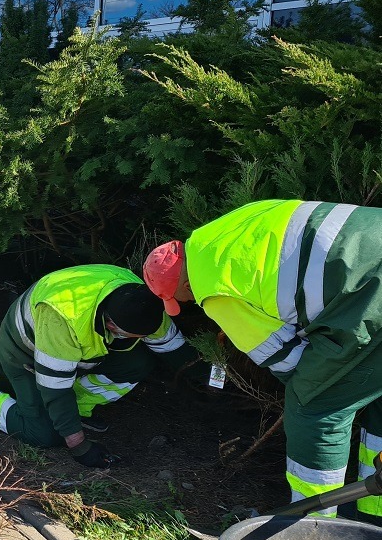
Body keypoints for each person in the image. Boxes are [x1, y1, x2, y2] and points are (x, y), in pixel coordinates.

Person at [143, 199, 382, 518]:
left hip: (366, 294)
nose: (186, 304)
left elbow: (283, 358)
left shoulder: (212, 288)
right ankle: (373, 512)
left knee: (313, 407)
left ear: (185, 285)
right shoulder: (224, 229)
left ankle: (315, 527)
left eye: (180, 299)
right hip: (372, 241)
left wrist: (302, 388)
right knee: (375, 394)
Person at [0, 265, 194, 466]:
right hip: (24, 353)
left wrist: (212, 378)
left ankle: (76, 409)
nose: (142, 340)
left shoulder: (140, 301)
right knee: (45, 434)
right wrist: (79, 446)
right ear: (112, 326)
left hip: (78, 352)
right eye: (135, 336)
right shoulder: (63, 319)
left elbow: (173, 347)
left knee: (138, 363)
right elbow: (56, 389)